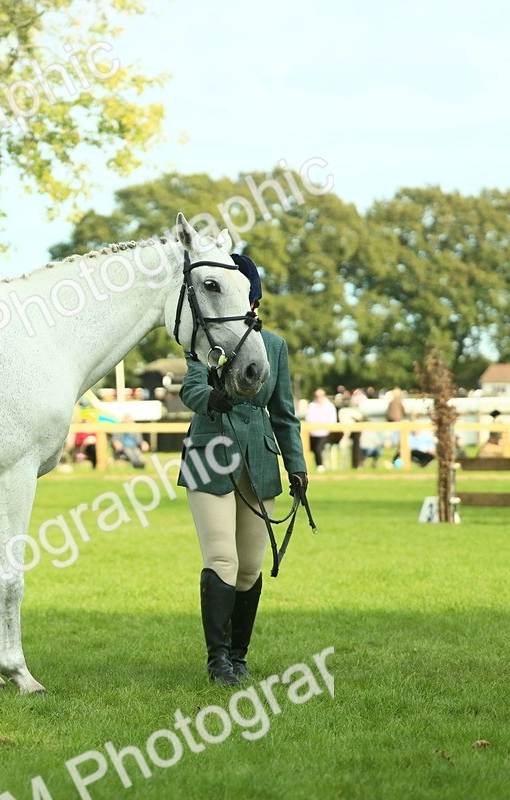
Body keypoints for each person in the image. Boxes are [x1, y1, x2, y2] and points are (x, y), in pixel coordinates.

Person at [178, 253, 307, 687]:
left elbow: (285, 413)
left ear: (252, 298)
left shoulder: (274, 347)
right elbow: (192, 387)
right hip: (209, 453)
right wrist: (211, 398)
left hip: (258, 458)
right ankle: (217, 662)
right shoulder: (205, 338)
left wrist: (298, 467)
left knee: (251, 566)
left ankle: (239, 656)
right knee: (222, 558)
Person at [305, 389, 337, 472]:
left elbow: (332, 421)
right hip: (313, 432)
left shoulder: (329, 406)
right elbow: (308, 419)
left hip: (325, 432)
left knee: (318, 448)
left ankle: (320, 465)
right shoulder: (312, 405)